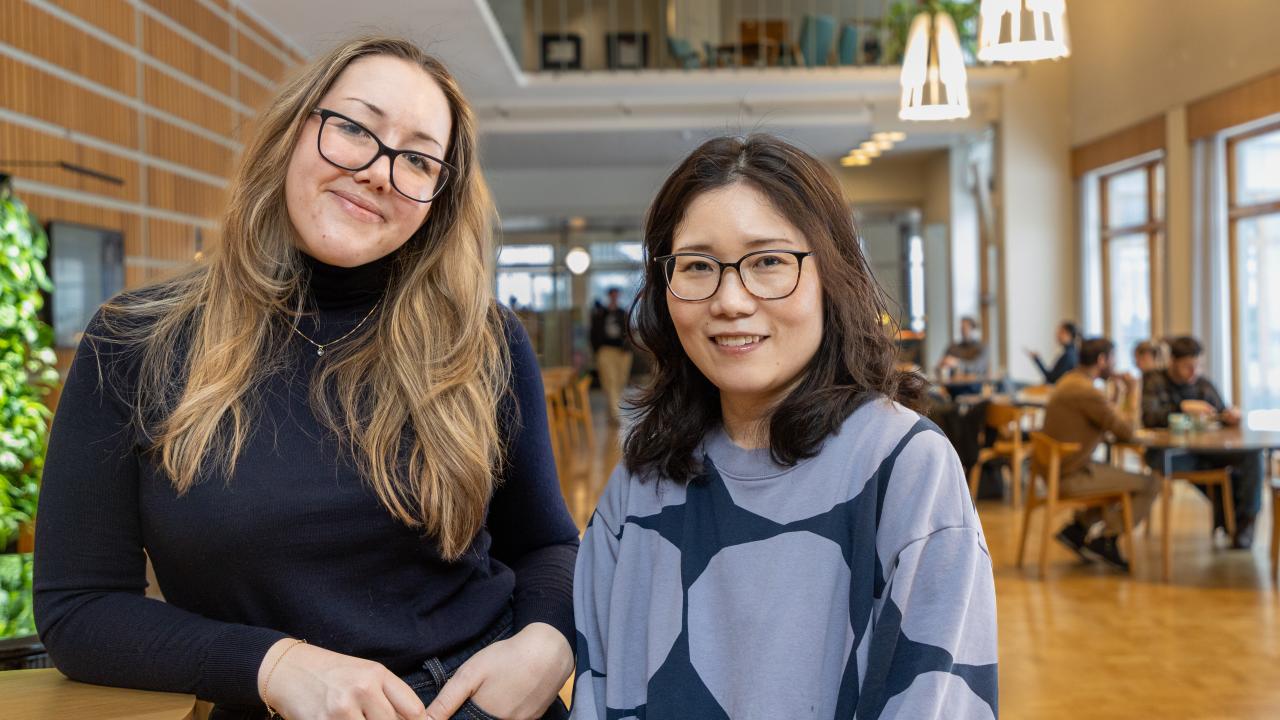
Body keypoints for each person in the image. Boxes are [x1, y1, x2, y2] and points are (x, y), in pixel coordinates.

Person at [34, 37, 576, 720]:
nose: (379, 171)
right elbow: (79, 609)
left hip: (472, 703)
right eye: (354, 128)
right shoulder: (136, 340)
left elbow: (547, 543)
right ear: (293, 131)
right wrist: (272, 664)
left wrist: (549, 641)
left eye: (417, 158)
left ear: (438, 199)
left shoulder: (482, 340)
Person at [571, 135, 998, 719]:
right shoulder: (642, 479)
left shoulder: (904, 464)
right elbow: (597, 690)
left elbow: (936, 698)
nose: (730, 300)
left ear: (833, 274)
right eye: (696, 266)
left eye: (768, 261)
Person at [1040, 338, 1159, 572]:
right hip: (1070, 476)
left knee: (1115, 477)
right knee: (1151, 483)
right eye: (1113, 359)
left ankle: (1077, 530)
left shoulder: (1071, 381)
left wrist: (1117, 396)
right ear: (1102, 360)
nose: (1115, 365)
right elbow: (1127, 431)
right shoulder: (1085, 392)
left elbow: (1106, 417)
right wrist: (1133, 391)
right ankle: (1107, 539)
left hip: (1059, 469)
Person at [1141, 336, 1263, 548]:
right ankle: (1227, 514)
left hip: (1205, 451)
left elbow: (1221, 412)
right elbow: (1150, 418)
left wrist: (1230, 416)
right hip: (1170, 453)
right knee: (1216, 472)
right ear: (1172, 362)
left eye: (1197, 366)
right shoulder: (1155, 381)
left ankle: (1245, 522)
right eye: (1187, 366)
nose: (1193, 372)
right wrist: (1182, 407)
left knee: (1252, 455)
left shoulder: (1203, 385)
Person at [589, 287, 633, 424]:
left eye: (616, 295)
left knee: (620, 382)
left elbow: (629, 331)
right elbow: (593, 333)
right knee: (610, 381)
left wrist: (628, 348)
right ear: (609, 296)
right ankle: (615, 413)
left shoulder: (623, 313)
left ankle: (611, 412)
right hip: (606, 351)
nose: (614, 297)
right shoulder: (600, 314)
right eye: (612, 295)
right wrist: (597, 350)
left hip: (622, 352)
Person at [937, 315, 989, 380]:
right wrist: (942, 364)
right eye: (961, 328)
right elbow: (940, 366)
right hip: (953, 384)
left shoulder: (982, 347)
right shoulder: (953, 347)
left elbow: (977, 367)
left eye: (965, 328)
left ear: (973, 329)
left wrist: (957, 363)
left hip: (975, 384)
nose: (963, 331)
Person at [1027, 320, 1079, 384]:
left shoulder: (1068, 356)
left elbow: (1051, 378)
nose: (1057, 335)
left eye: (1061, 332)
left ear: (1069, 335)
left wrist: (1037, 359)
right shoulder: (1072, 353)